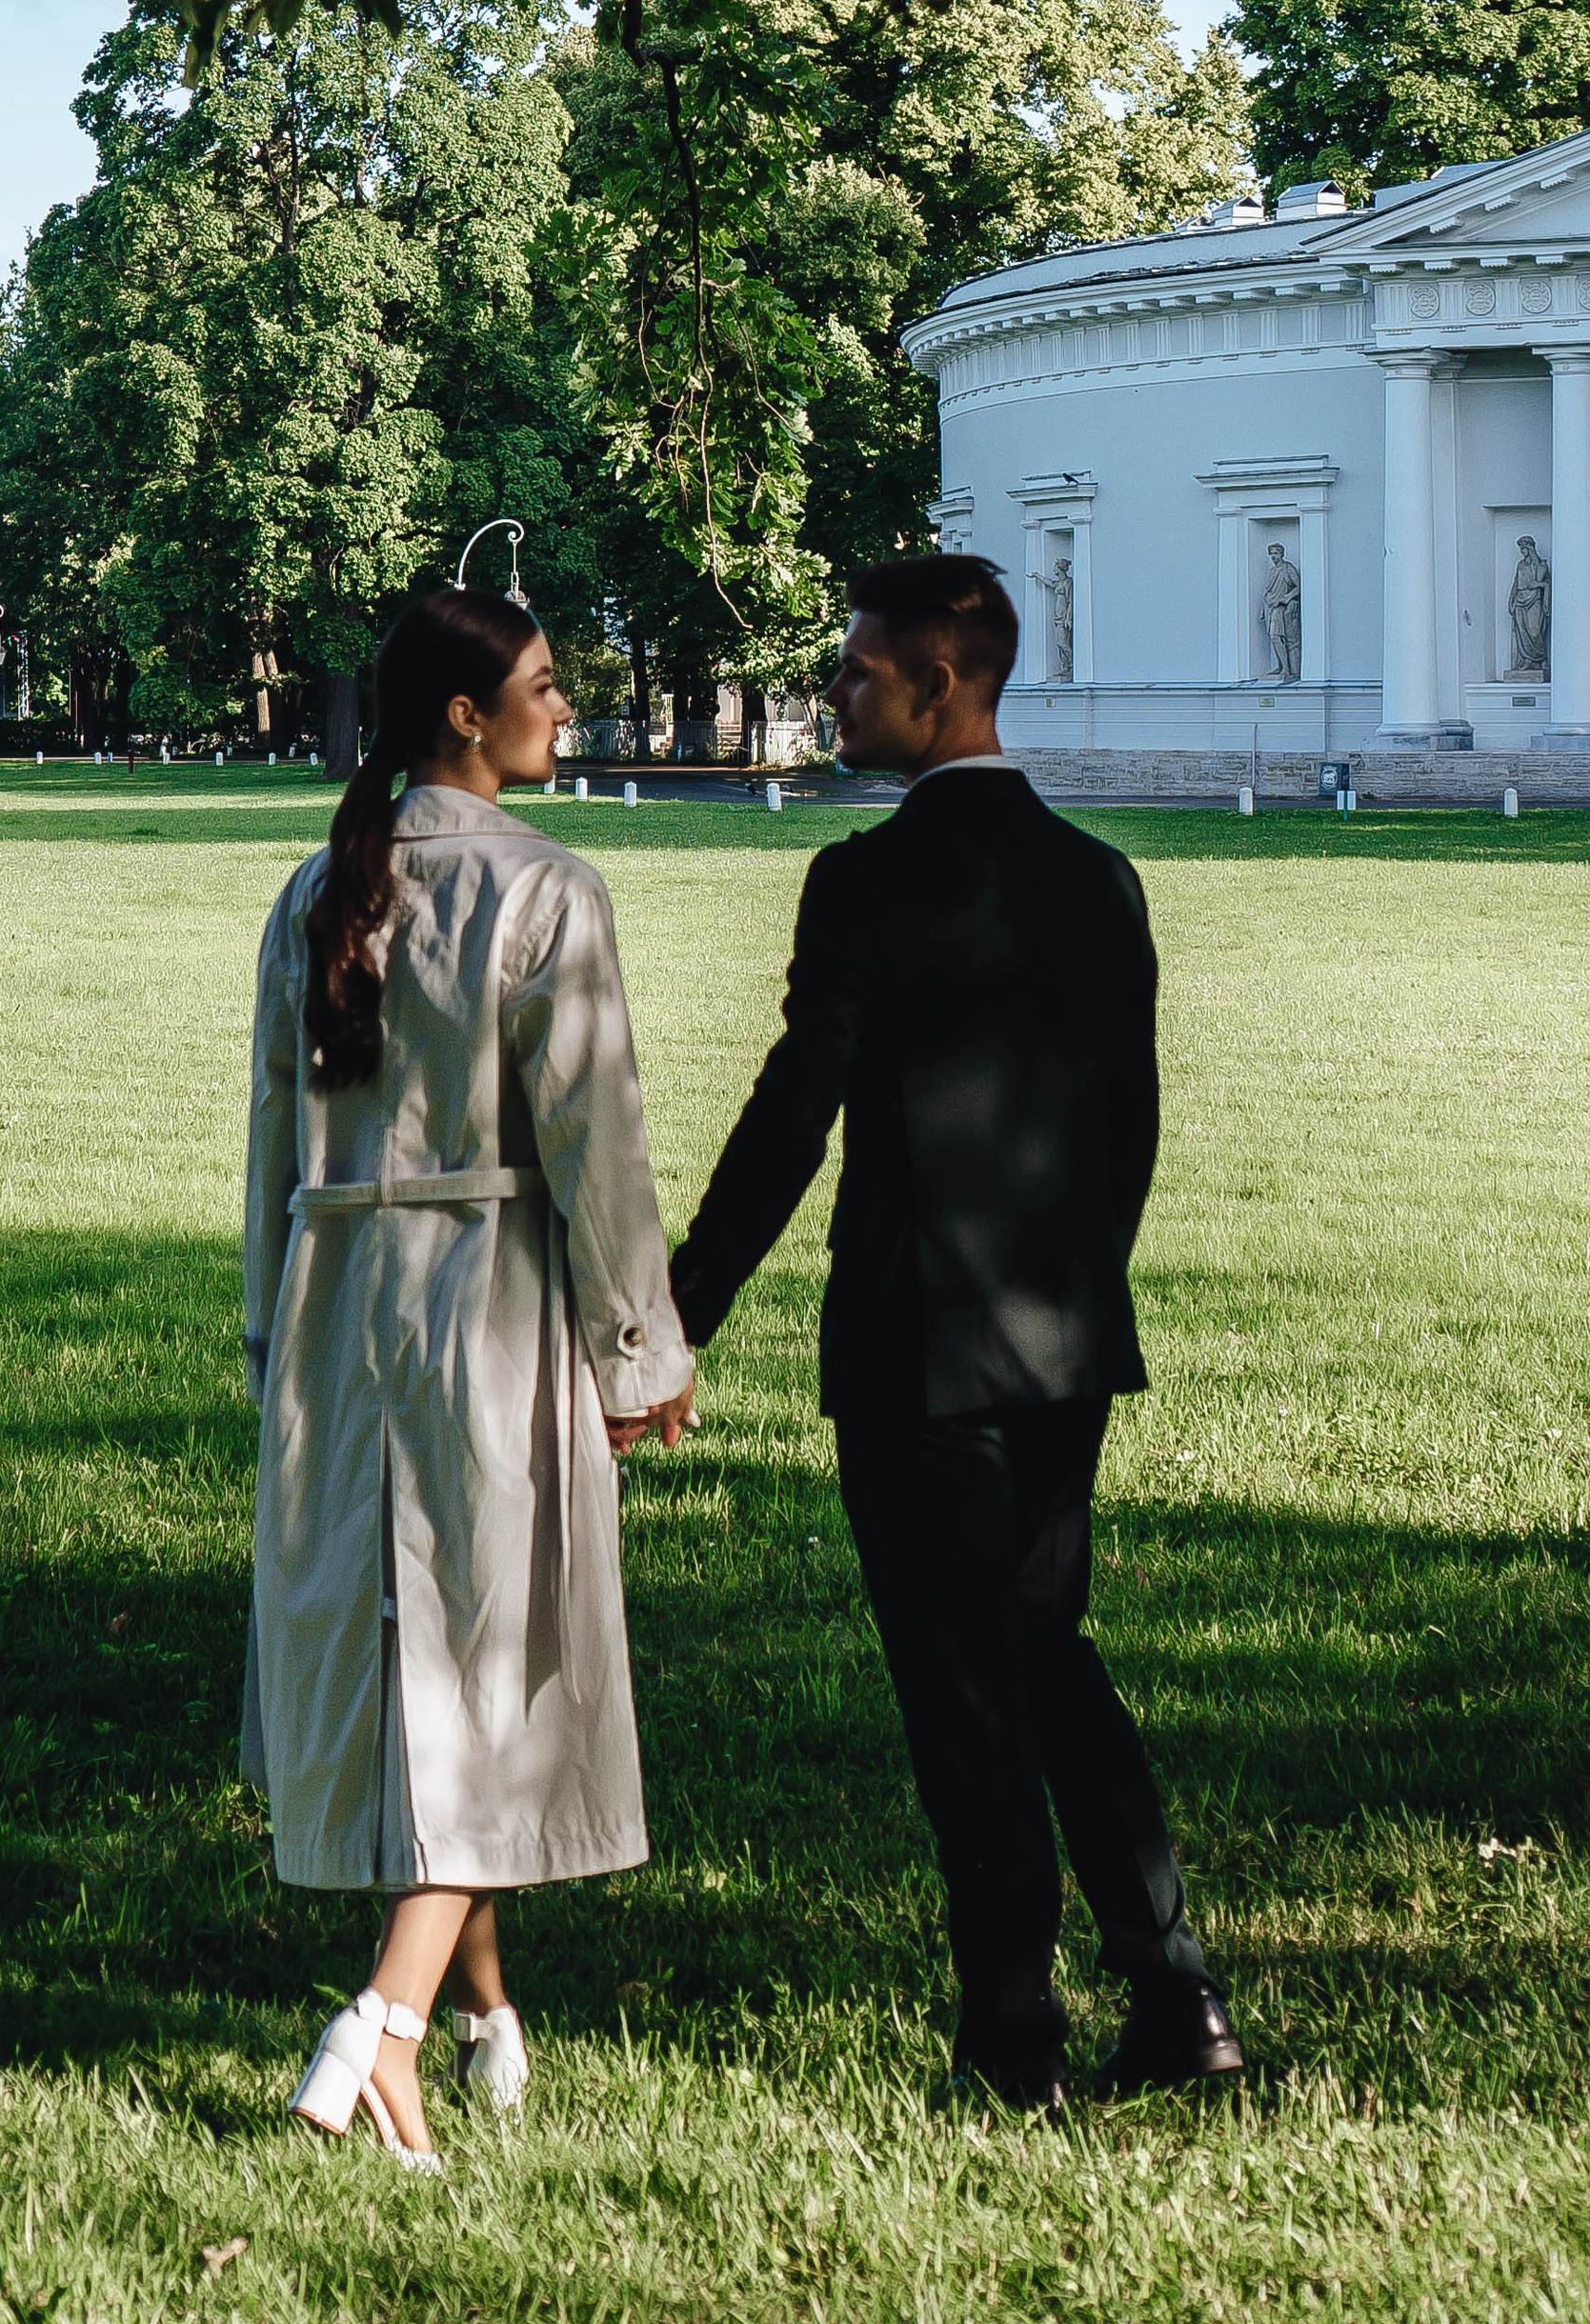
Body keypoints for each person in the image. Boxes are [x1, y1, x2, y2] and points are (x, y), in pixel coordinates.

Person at [667, 553, 1238, 2115]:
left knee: (964, 1698)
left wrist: (675, 1312)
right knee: (1049, 1664)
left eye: (855, 671)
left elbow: (796, 1116)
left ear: (940, 685)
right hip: (1064, 1342)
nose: (832, 692)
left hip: (920, 1351)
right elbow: (1130, 1129)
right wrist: (1074, 1285)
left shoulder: (866, 879)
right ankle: (1176, 1996)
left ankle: (1012, 2043)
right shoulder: (1099, 879)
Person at [243, 587, 694, 2167]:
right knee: (489, 1675)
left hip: (334, 1299)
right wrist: (639, 1350)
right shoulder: (549, 894)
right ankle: (383, 2030)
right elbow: (600, 1148)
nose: (563, 711)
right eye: (546, 687)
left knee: (412, 1670)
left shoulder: (317, 889)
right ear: (463, 714)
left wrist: (266, 1331)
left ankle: (488, 2018)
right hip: (486, 1308)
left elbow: (267, 1150)